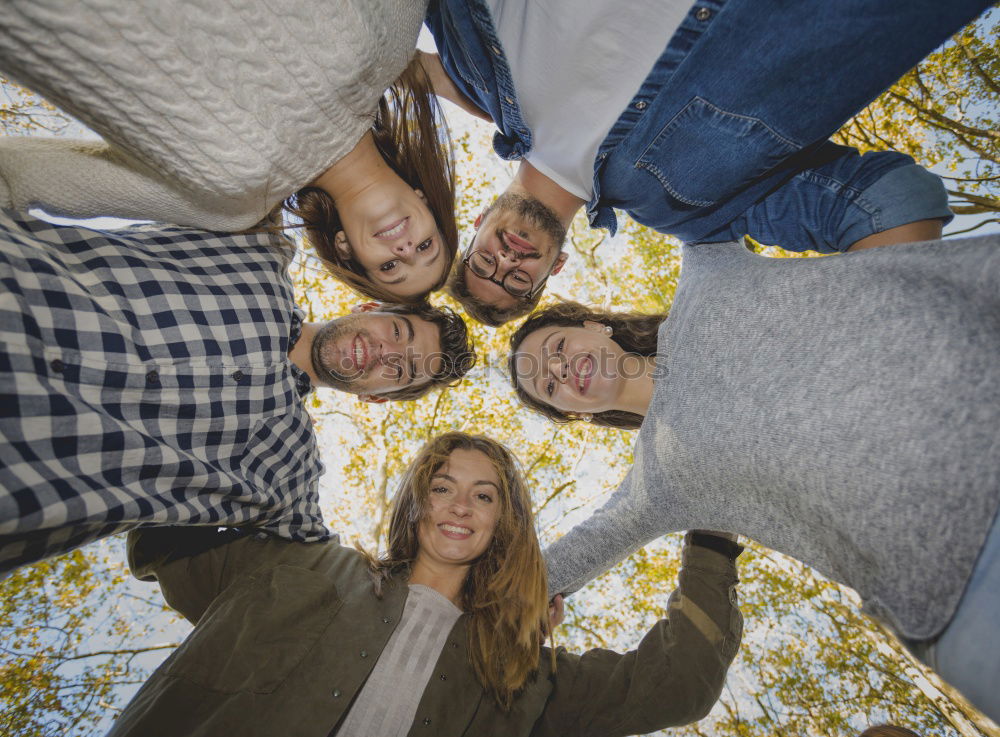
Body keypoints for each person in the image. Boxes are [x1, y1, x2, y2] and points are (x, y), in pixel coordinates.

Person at [506, 233, 1000, 721]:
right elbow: (550, 569)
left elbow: (688, 185)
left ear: (594, 325)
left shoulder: (708, 280)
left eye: (557, 346)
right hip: (958, 580)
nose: (560, 369)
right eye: (549, 386)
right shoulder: (658, 482)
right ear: (574, 413)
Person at [105, 432, 744, 737]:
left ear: (503, 524)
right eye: (443, 488)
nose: (460, 507)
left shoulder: (524, 676)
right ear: (416, 506)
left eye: (483, 495)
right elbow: (164, 535)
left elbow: (675, 685)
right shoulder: (299, 566)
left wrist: (712, 530)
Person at [422, 0, 993, 325]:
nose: (507, 263)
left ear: (473, 228)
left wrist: (427, 75)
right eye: (518, 282)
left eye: (484, 264)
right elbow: (887, 203)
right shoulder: (686, 210)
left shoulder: (467, 60)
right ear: (555, 271)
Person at [0, 209, 475, 576]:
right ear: (369, 305)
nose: (387, 354)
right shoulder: (255, 246)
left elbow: (332, 581)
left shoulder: (286, 467)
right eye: (397, 331)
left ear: (375, 399)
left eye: (403, 370)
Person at [0, 0, 457, 303]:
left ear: (345, 247)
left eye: (392, 265)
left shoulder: (231, 207)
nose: (404, 246)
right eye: (426, 245)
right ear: (424, 198)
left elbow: (24, 179)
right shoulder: (392, 45)